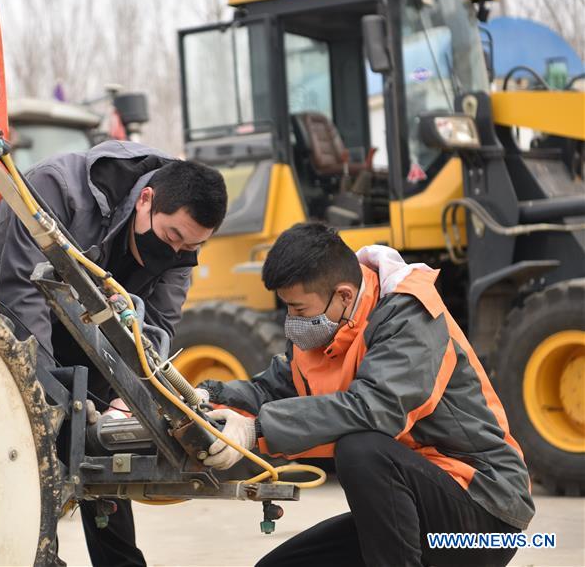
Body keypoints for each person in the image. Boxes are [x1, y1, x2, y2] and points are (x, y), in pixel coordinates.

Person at [0, 139, 227, 566]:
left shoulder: (180, 249)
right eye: (172, 236)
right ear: (146, 200)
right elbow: (22, 293)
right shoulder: (59, 187)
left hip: (76, 326)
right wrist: (51, 400)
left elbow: (155, 327)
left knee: (107, 442)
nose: (176, 251)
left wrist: (131, 395)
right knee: (29, 443)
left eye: (190, 246)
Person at [197, 223, 534, 567]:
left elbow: (376, 409)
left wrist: (258, 429)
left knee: (361, 449)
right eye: (287, 309)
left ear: (343, 295)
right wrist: (205, 397)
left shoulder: (411, 316)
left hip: (482, 512)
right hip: (413, 506)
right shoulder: (327, 327)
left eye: (299, 310)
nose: (292, 321)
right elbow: (271, 389)